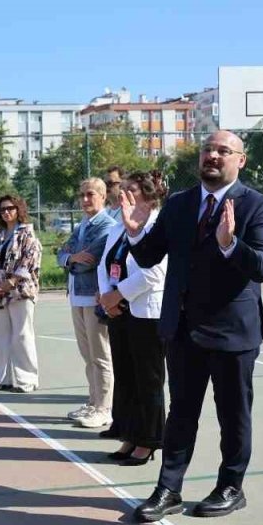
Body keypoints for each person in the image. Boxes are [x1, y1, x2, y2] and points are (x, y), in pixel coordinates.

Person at [124, 130, 263, 523]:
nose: (212, 155)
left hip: (232, 332)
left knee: (233, 414)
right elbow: (147, 257)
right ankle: (168, 489)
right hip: (183, 330)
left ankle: (231, 486)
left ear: (240, 160)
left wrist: (230, 244)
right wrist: (136, 231)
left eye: (223, 151)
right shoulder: (179, 204)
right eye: (207, 149)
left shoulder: (258, 206)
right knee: (181, 414)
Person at [97, 171, 169, 465]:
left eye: (132, 190)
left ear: (149, 197)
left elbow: (154, 272)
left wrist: (119, 294)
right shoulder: (117, 226)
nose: (123, 194)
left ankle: (148, 441)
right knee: (125, 376)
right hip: (118, 312)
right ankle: (129, 434)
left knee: (147, 379)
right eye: (122, 189)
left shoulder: (158, 225)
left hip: (145, 312)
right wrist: (106, 295)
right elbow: (105, 263)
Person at [58, 178, 116, 429]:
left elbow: (88, 262)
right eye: (81, 195)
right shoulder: (82, 225)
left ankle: (104, 408)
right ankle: (93, 402)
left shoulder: (107, 226)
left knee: (101, 355)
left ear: (102, 196)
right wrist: (71, 257)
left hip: (95, 297)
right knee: (87, 355)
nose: (84, 200)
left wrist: (72, 259)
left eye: (90, 194)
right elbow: (62, 254)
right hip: (77, 296)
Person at [0, 194, 42, 393]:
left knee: (22, 335)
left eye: (10, 208)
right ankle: (3, 378)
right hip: (0, 293)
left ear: (18, 209)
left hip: (21, 291)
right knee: (1, 335)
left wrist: (12, 281)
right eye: (2, 210)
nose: (6, 212)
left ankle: (27, 379)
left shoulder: (27, 233)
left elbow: (31, 260)